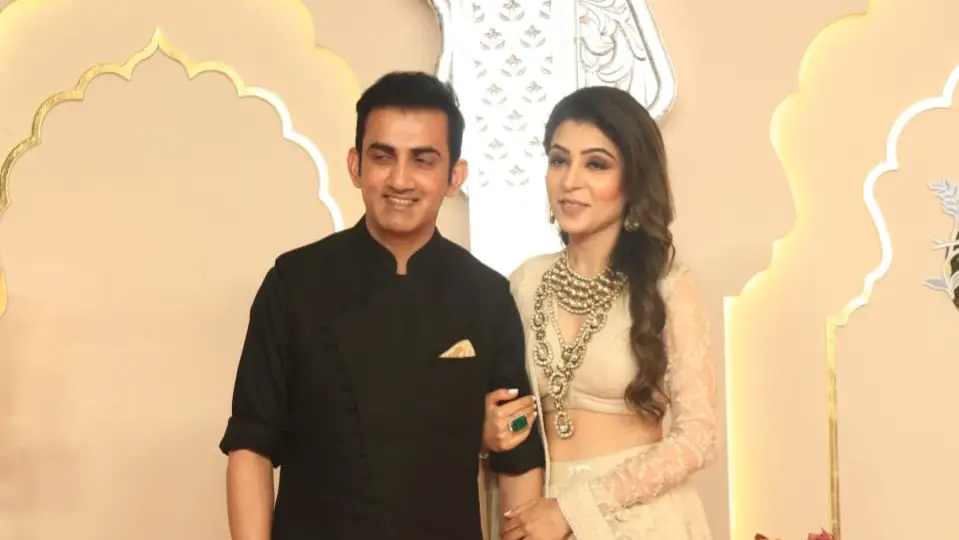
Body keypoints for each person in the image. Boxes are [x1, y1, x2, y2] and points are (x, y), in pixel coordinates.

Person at [218, 71, 544, 540]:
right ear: (355, 166)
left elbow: (517, 456)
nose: (400, 179)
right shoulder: (293, 283)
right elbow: (251, 444)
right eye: (382, 156)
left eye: (423, 160)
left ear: (454, 176)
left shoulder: (486, 295)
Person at [491, 86, 717, 540]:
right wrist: (487, 433)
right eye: (559, 160)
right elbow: (508, 410)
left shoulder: (665, 284)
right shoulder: (525, 282)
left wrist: (575, 509)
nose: (570, 180)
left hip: (638, 519)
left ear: (632, 181)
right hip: (537, 514)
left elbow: (698, 437)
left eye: (596, 164)